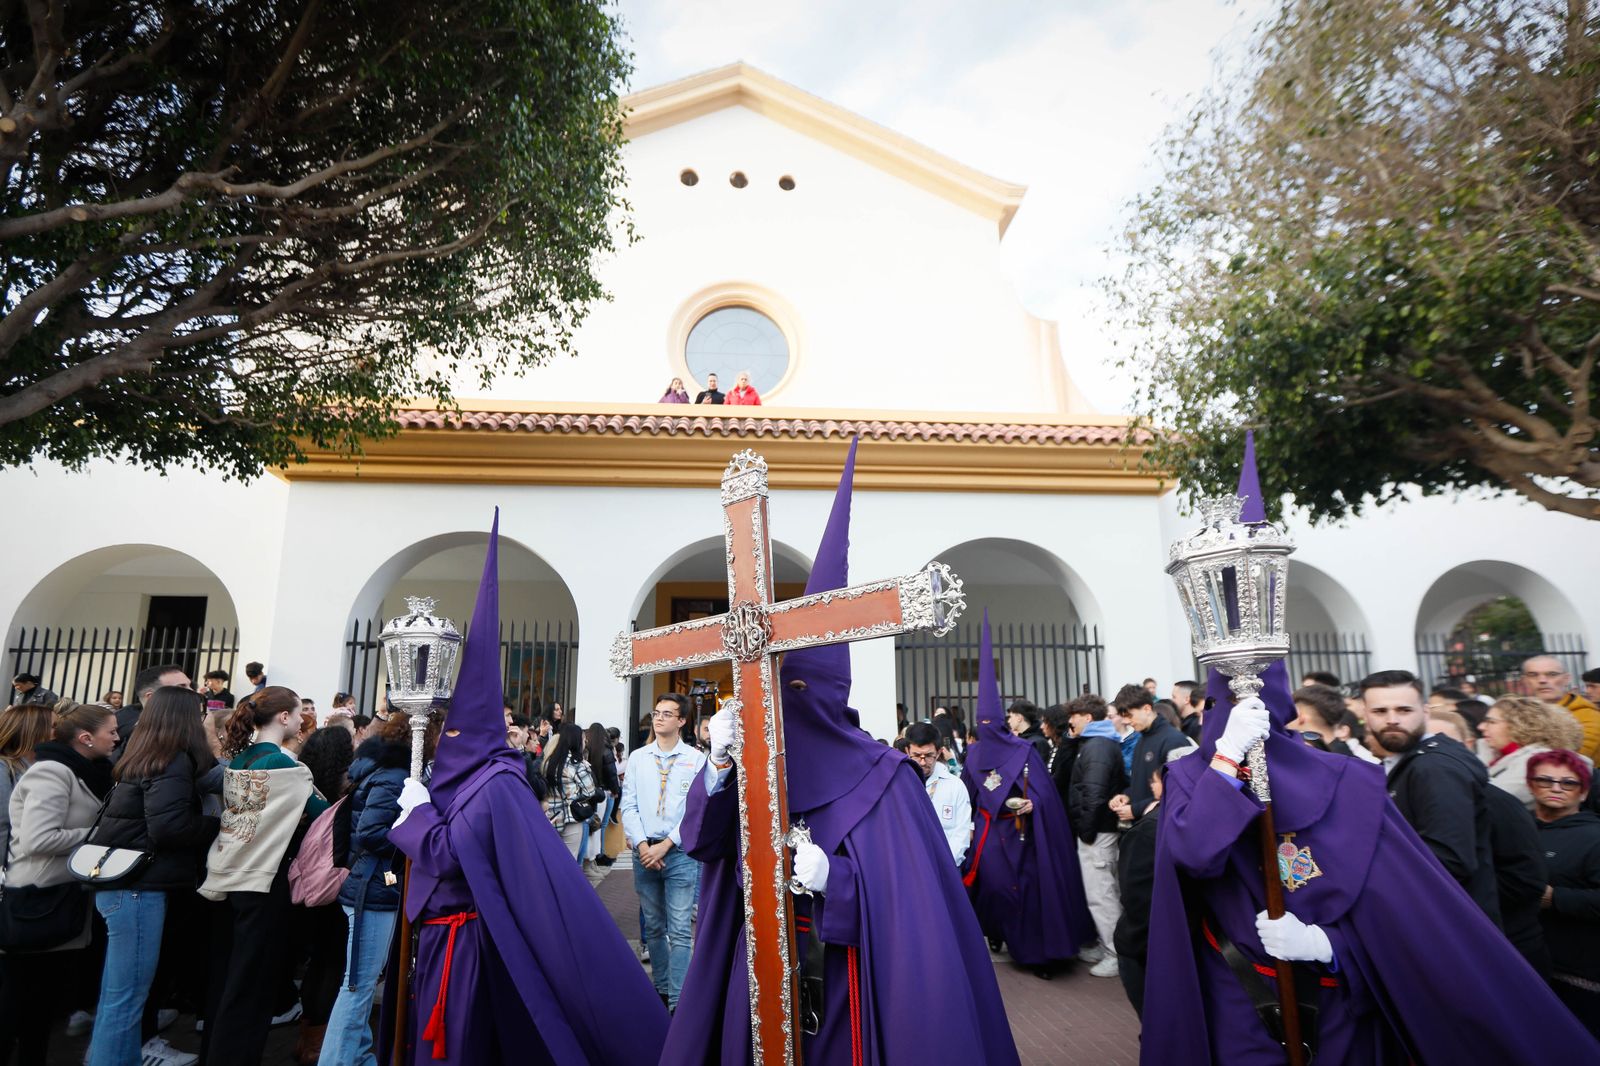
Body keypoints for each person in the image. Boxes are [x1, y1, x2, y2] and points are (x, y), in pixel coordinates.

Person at [660, 443, 1019, 1064]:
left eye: (798, 691)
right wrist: (719, 765)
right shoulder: (756, 761)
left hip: (850, 978)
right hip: (758, 969)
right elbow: (705, 841)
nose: (787, 707)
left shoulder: (885, 778)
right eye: (781, 691)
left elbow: (912, 914)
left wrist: (837, 880)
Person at [1143, 660, 1600, 1063]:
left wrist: (1329, 946)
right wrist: (1226, 761)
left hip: (1338, 998)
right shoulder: (1190, 775)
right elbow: (1195, 853)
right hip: (1240, 993)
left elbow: (1396, 908)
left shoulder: (1346, 781)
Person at [381, 512, 668, 1063]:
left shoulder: (498, 784)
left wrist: (416, 818)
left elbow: (449, 852)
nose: (449, 735)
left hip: (467, 944)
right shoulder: (458, 778)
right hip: (436, 939)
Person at [84, 685, 218, 1066]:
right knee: (127, 999)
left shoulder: (143, 755)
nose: (204, 719)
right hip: (139, 888)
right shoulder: (171, 760)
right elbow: (170, 827)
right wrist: (219, 825)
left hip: (125, 885)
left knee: (117, 995)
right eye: (200, 712)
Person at [961, 614, 1095, 978]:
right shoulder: (973, 755)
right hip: (989, 834)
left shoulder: (1023, 751)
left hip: (1023, 834)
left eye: (994, 723)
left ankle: (1035, 953)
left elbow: (1045, 794)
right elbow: (968, 794)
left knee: (1030, 893)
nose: (987, 730)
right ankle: (998, 933)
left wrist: (1034, 803)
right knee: (996, 890)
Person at [199, 686, 326, 1065]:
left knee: (228, 979)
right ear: (283, 717)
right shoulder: (288, 768)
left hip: (228, 874)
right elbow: (327, 815)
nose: (304, 719)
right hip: (265, 880)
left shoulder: (237, 761)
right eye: (300, 711)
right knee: (253, 985)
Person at [0, 701, 117, 1065]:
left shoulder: (87, 771)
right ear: (85, 738)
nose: (117, 736)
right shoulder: (50, 772)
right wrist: (102, 835)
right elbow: (37, 839)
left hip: (63, 897)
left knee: (41, 1009)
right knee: (19, 1005)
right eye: (110, 731)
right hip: (38, 899)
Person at [320, 712, 431, 1066]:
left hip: (373, 884)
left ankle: (358, 1056)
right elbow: (370, 832)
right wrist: (412, 836)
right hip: (373, 886)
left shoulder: (385, 771)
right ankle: (337, 1060)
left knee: (362, 982)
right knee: (357, 985)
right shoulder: (394, 776)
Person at [1366, 668, 1501, 924]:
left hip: (1448, 924)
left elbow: (1450, 859)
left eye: (1404, 710)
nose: (1392, 719)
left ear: (1425, 712)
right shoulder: (1411, 761)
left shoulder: (1434, 768)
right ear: (1365, 714)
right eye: (1380, 711)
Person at [620, 692, 707, 1011]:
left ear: (682, 721)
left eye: (667, 714)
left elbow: (695, 810)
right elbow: (627, 804)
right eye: (656, 712)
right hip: (645, 852)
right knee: (654, 926)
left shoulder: (696, 760)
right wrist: (643, 845)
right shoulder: (639, 758)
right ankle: (661, 988)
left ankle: (679, 999)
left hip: (679, 852)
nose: (659, 718)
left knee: (681, 928)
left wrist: (667, 844)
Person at [294, 726, 356, 1064]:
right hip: (334, 883)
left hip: (306, 882)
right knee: (332, 962)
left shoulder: (302, 781)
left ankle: (306, 1037)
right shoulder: (346, 791)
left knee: (318, 961)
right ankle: (316, 1044)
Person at [1529, 749, 1600, 1037]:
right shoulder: (1513, 827)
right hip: (1521, 963)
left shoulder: (1594, 837)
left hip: (1576, 973)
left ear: (1583, 793)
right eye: (1545, 780)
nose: (1556, 788)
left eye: (1568, 783)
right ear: (1531, 785)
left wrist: (1554, 898)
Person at [1065, 692, 1128, 978]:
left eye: (1074, 716)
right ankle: (1107, 946)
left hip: (1097, 830)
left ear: (1087, 718)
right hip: (1098, 828)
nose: (1070, 722)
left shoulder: (1098, 747)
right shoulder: (1097, 743)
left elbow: (1094, 791)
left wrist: (1086, 829)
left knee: (1102, 893)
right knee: (1101, 891)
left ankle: (1115, 953)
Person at [1114, 684, 1195, 817]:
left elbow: (1177, 792)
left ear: (1146, 708)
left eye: (1129, 715)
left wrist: (1136, 810)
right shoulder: (1142, 739)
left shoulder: (1173, 740)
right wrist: (1127, 796)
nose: (1126, 721)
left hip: (1160, 822)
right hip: (1145, 823)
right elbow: (1142, 782)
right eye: (1123, 716)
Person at [1481, 694, 1572, 809]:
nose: (1481, 727)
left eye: (1492, 722)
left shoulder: (1534, 761)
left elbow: (1491, 799)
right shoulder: (1496, 754)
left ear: (1519, 724)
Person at [905, 720, 972, 864]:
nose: (922, 762)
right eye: (917, 755)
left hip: (945, 867)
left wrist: (945, 865)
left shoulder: (955, 786)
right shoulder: (899, 785)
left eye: (929, 755)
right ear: (907, 751)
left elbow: (961, 834)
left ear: (939, 752)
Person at [0, 702, 54, 865]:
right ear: (33, 731)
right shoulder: (4, 768)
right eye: (53, 726)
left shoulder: (42, 765)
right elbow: (2, 822)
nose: (59, 732)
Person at [1523, 655, 1600, 762]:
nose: (1542, 680)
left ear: (1566, 679)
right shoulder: (1516, 714)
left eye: (1552, 674)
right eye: (1533, 675)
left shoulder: (1588, 715)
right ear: (1525, 680)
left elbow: (1572, 761)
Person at [541, 722, 599, 860]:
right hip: (571, 817)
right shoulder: (576, 763)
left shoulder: (548, 761)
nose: (584, 742)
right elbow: (590, 791)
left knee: (551, 859)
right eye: (583, 739)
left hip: (550, 815)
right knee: (569, 861)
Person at [115, 662, 191, 759]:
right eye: (182, 687)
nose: (192, 691)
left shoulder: (188, 720)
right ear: (152, 697)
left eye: (189, 685)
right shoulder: (122, 725)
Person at [580, 721, 619, 875]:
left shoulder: (587, 749)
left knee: (592, 827)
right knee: (600, 826)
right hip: (605, 791)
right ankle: (596, 857)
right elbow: (611, 773)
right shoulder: (606, 750)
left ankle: (593, 859)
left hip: (592, 791)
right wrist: (615, 789)